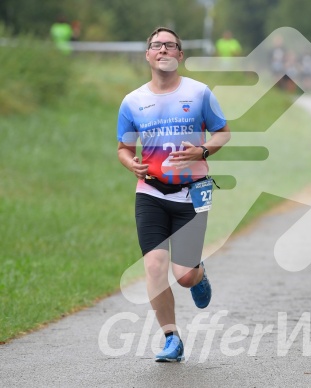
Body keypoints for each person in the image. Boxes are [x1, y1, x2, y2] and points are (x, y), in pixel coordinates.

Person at [117, 27, 231, 362]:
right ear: (147, 54)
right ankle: (172, 338)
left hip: (193, 192)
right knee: (154, 266)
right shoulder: (132, 101)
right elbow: (123, 148)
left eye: (171, 45)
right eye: (156, 45)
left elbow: (223, 133)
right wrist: (130, 165)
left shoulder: (199, 94)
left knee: (183, 275)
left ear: (180, 55)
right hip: (150, 192)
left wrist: (203, 151)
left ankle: (198, 274)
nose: (163, 49)